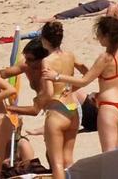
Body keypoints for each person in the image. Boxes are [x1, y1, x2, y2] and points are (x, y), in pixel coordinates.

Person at [49, 17, 118, 151]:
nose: (97, 37)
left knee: (108, 155)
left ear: (106, 36)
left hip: (110, 108)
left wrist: (57, 76)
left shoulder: (105, 58)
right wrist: (102, 92)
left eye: (98, 34)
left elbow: (85, 80)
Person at [38, 22, 81, 179]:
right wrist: (71, 87)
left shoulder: (47, 61)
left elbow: (49, 92)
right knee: (68, 160)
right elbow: (86, 72)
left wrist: (38, 100)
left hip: (57, 111)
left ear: (45, 40)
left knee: (57, 164)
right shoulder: (70, 55)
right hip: (72, 109)